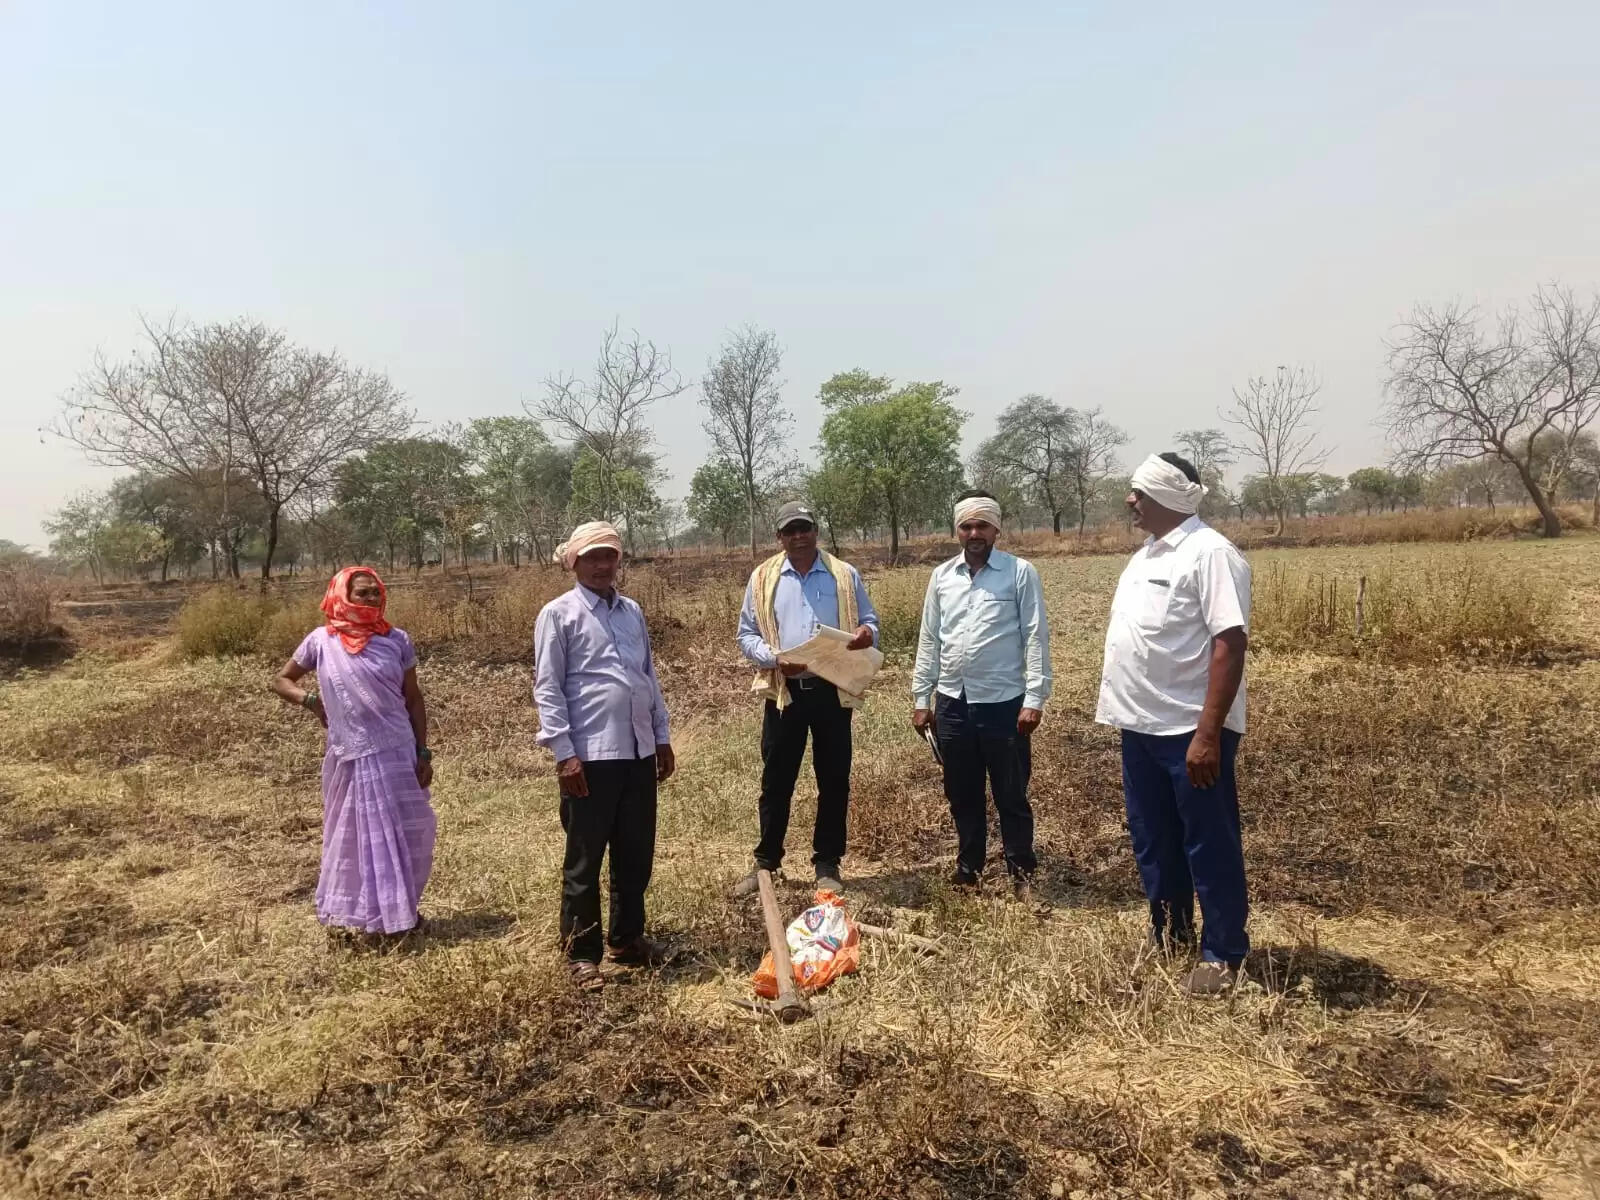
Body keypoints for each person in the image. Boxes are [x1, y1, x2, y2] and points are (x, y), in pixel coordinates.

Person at [1096, 452, 1252, 997]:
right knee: (1153, 839)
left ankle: (1223, 952)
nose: (1129, 501)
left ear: (1165, 495)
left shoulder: (1210, 554)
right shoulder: (1145, 555)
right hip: (1140, 726)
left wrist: (1208, 734)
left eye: (1137, 492)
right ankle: (1171, 934)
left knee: (1207, 842)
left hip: (1190, 730)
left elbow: (1229, 643)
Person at [533, 520, 676, 992]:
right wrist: (564, 754)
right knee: (585, 859)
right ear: (573, 562)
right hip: (590, 758)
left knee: (635, 854)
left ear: (619, 561)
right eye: (591, 558)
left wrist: (661, 736)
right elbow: (549, 688)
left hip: (636, 751)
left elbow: (646, 676)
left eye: (608, 557)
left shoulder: (631, 611)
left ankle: (627, 938)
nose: (601, 566)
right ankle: (582, 954)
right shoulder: (559, 615)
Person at [273, 566, 436, 945]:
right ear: (342, 595)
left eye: (376, 593)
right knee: (356, 835)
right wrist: (311, 701)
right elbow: (281, 681)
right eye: (361, 593)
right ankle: (364, 917)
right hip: (350, 753)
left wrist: (423, 750)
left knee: (411, 831)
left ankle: (402, 911)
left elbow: (413, 699)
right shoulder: (320, 641)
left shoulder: (397, 640)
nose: (370, 599)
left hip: (397, 749)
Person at [733, 500, 879, 896]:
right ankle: (766, 864)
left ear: (817, 531)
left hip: (832, 691)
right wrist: (776, 660)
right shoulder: (763, 578)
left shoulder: (843, 575)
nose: (798, 536)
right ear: (779, 537)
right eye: (790, 530)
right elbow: (746, 634)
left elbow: (870, 621)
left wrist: (867, 633)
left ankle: (827, 862)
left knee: (834, 779)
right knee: (776, 780)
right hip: (785, 695)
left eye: (805, 528)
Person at [911, 491, 1051, 901]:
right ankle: (968, 865)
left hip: (1004, 701)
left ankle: (1020, 869)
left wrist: (1035, 698)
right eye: (966, 526)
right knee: (961, 790)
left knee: (1011, 790)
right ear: (957, 530)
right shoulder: (942, 576)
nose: (974, 533)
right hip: (952, 702)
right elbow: (929, 640)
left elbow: (1036, 638)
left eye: (982, 526)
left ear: (996, 529)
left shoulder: (1019, 573)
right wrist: (922, 699)